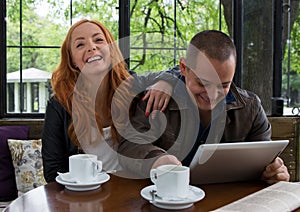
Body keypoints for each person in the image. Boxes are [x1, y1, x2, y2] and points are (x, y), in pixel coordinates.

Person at [117, 30, 290, 184]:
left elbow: (264, 158)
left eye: (223, 85)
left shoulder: (251, 108)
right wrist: (156, 160)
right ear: (183, 68)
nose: (213, 94)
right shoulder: (156, 100)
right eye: (203, 83)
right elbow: (129, 146)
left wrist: (273, 172)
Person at [42, 19, 177, 182]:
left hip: (132, 192)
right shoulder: (59, 104)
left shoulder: (132, 84)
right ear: (72, 61)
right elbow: (52, 171)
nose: (92, 47)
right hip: (83, 196)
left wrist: (166, 81)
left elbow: (180, 70)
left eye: (99, 40)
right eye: (80, 45)